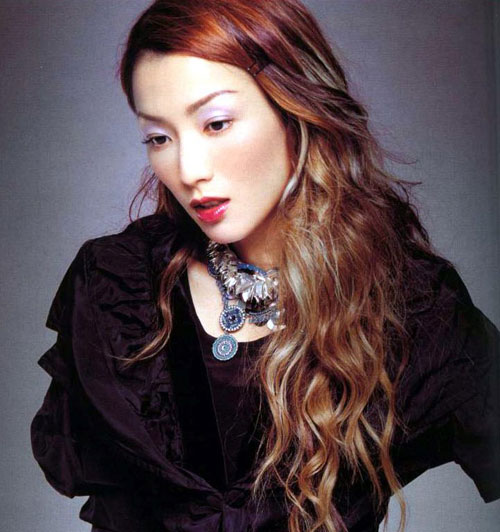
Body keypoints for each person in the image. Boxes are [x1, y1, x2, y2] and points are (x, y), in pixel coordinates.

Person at [30, 0, 499, 531]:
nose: (188, 170)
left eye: (216, 123)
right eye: (159, 137)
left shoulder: (410, 305)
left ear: (296, 108)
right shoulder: (118, 286)